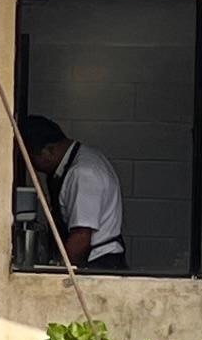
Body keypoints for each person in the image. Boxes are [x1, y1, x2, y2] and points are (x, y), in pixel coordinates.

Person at [18, 113, 126, 272]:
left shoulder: (83, 173)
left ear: (49, 150)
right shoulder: (85, 158)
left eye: (33, 159)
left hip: (98, 263)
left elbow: (81, 237)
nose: (34, 167)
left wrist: (60, 275)